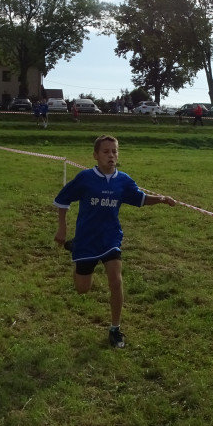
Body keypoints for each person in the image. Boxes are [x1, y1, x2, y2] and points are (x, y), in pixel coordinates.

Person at [53, 134, 177, 349]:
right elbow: (62, 200)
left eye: (114, 151)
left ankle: (115, 329)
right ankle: (73, 247)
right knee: (83, 289)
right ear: (95, 155)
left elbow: (140, 198)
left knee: (116, 281)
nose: (111, 155)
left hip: (110, 237)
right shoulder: (85, 178)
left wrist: (161, 199)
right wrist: (62, 228)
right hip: (86, 239)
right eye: (106, 151)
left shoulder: (124, 181)